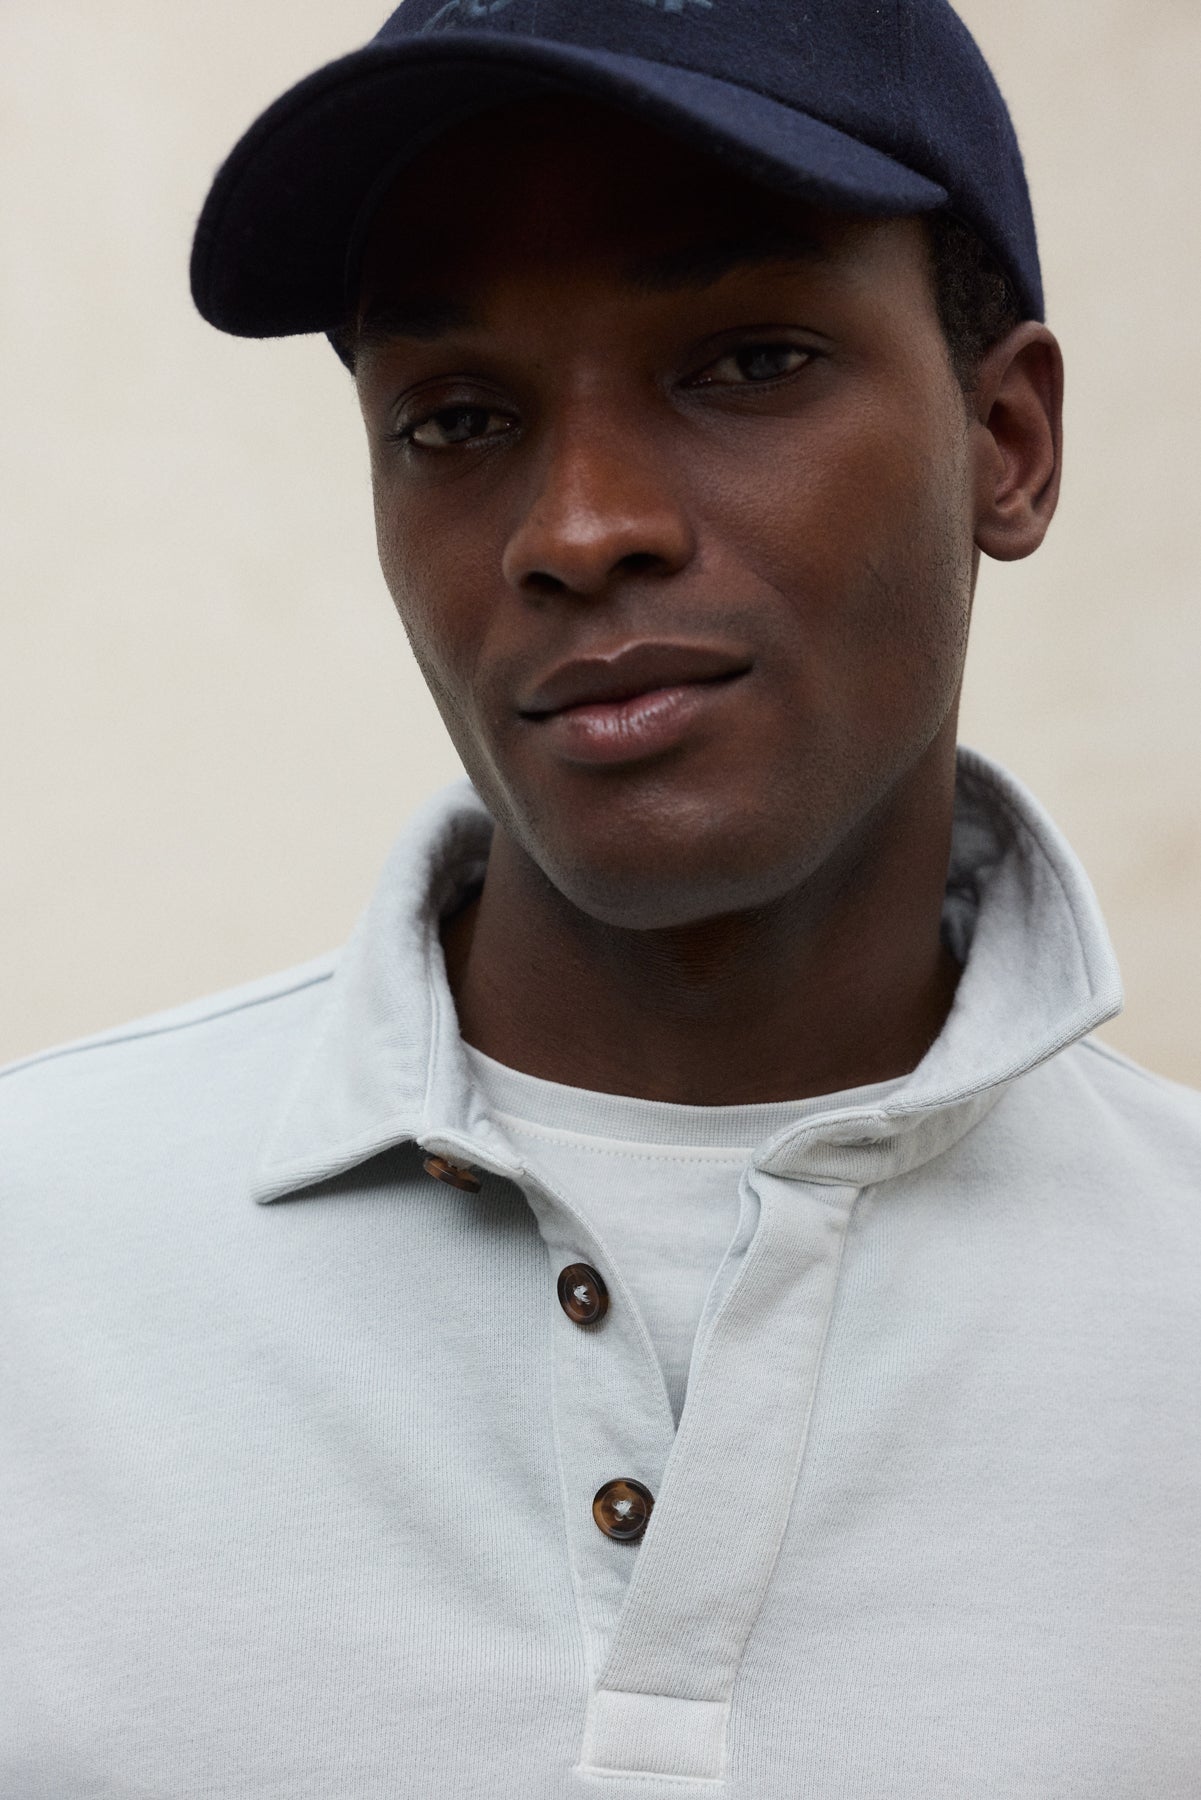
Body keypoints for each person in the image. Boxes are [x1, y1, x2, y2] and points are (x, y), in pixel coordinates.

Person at [3, 0, 1199, 1793]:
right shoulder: (36, 1261)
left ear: (1007, 441)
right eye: (455, 418)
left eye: (746, 361)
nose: (575, 527)